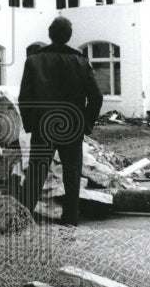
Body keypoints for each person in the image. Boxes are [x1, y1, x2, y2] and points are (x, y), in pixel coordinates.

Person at [15, 16, 103, 226]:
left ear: (50, 34)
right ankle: (70, 218)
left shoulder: (34, 60)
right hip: (72, 126)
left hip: (43, 126)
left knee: (36, 173)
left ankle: (23, 218)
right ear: (70, 35)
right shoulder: (81, 61)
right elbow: (96, 97)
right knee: (72, 174)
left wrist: (31, 124)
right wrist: (86, 124)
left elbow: (24, 97)